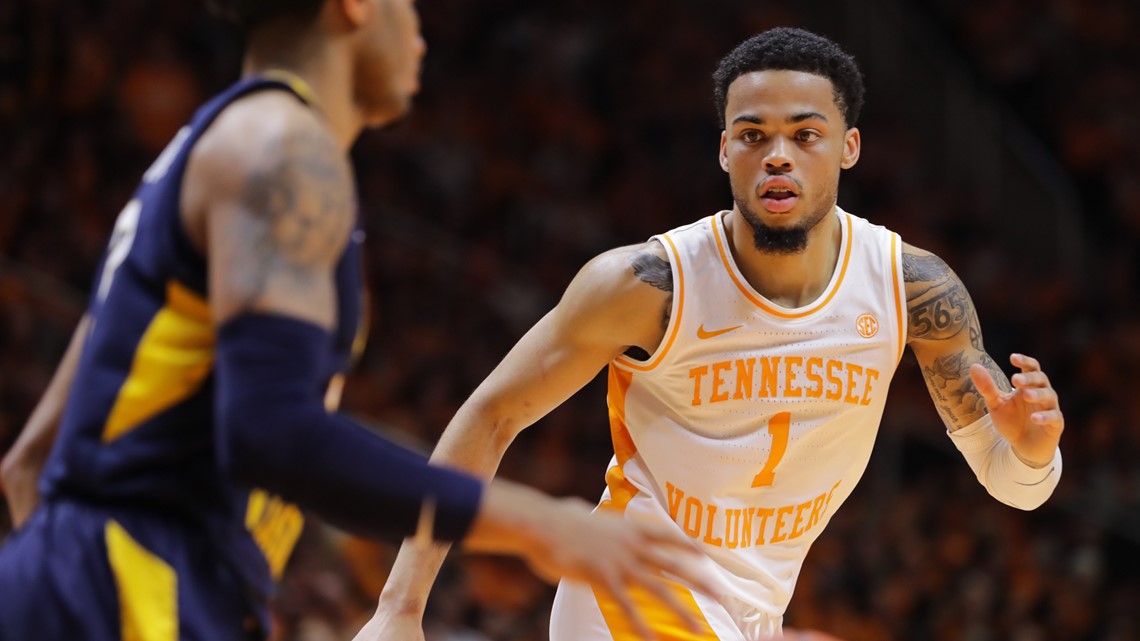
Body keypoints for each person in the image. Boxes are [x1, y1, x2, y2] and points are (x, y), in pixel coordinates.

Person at [0, 1, 722, 639]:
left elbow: (29, 459)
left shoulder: (202, 149)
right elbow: (272, 434)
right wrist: (535, 521)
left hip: (111, 584)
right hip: (131, 587)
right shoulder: (285, 149)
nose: (421, 33)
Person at [364, 27, 1065, 641]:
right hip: (631, 591)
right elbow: (492, 413)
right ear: (725, 148)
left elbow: (1016, 487)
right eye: (754, 135)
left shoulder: (913, 288)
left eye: (805, 133)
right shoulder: (645, 286)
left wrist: (1033, 454)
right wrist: (401, 605)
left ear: (849, 147)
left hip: (753, 612)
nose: (778, 155)